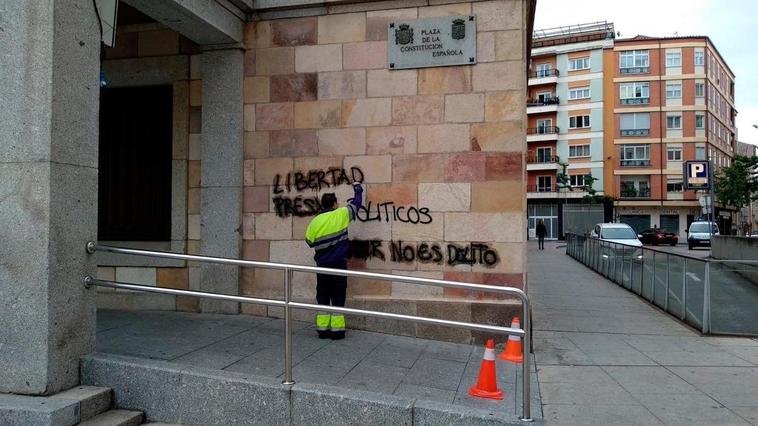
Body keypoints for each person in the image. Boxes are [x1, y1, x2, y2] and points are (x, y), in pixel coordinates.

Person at [305, 183, 363, 340]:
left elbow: (309, 241)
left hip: (322, 265)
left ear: (322, 204)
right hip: (338, 264)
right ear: (334, 203)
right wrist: (358, 189)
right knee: (338, 296)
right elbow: (357, 204)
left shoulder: (315, 222)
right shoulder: (341, 214)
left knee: (322, 296)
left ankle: (322, 330)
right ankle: (337, 331)